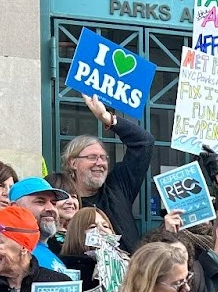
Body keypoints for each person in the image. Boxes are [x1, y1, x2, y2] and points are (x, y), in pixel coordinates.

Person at [60, 93, 154, 252]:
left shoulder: (118, 187)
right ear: (73, 163)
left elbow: (144, 143)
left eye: (104, 158)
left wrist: (108, 119)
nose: (100, 163)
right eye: (92, 157)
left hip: (131, 273)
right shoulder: (64, 201)